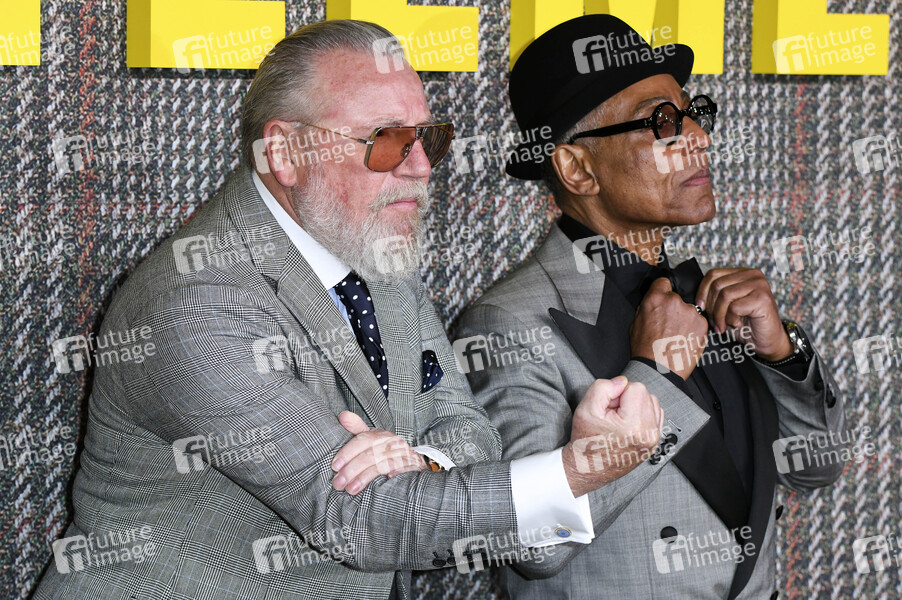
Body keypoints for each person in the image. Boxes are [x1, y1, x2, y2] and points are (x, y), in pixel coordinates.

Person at [34, 20, 664, 600]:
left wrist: (422, 465)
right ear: (284, 154)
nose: (422, 168)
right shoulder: (192, 304)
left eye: (429, 138)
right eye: (387, 141)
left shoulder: (371, 245)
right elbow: (361, 520)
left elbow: (468, 429)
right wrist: (576, 471)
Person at [457, 14, 847, 600]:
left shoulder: (708, 297)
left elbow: (814, 471)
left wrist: (783, 358)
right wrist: (657, 375)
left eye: (693, 114)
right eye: (663, 121)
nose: (698, 139)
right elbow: (534, 543)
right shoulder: (505, 325)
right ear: (577, 168)